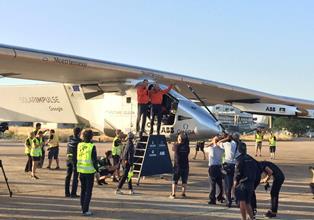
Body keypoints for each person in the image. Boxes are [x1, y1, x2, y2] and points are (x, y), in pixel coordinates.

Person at [234, 142, 258, 220]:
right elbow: (257, 169)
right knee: (248, 203)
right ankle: (251, 218)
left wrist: (234, 184)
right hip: (251, 183)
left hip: (242, 184)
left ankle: (243, 218)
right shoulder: (251, 158)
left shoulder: (239, 159)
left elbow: (238, 173)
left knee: (242, 202)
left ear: (238, 150)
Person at [77, 129, 98, 216]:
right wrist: (97, 170)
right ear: (91, 137)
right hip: (89, 171)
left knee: (83, 190)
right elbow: (94, 160)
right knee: (88, 191)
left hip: (81, 170)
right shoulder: (92, 146)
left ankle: (83, 207)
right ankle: (85, 210)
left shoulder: (80, 145)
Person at [218, 133, 239, 208]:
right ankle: (238, 201)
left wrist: (226, 139)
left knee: (228, 185)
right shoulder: (238, 144)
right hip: (237, 166)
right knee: (237, 184)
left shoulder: (227, 144)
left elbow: (218, 143)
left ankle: (229, 201)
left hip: (228, 165)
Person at [169, 132, 190, 199]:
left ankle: (173, 194)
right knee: (184, 181)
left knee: (174, 180)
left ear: (179, 139)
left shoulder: (176, 146)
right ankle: (183, 194)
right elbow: (187, 142)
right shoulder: (187, 147)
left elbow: (173, 149)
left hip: (177, 166)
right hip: (185, 165)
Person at [205, 136, 225, 205]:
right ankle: (220, 197)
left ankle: (212, 199)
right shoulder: (222, 150)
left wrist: (211, 143)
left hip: (212, 167)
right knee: (220, 184)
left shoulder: (211, 148)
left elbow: (205, 148)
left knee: (212, 184)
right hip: (219, 167)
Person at [65, 127, 81, 198]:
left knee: (68, 176)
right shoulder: (80, 141)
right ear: (79, 133)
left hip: (68, 159)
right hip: (75, 160)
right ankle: (73, 193)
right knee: (75, 177)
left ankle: (67, 193)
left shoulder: (69, 138)